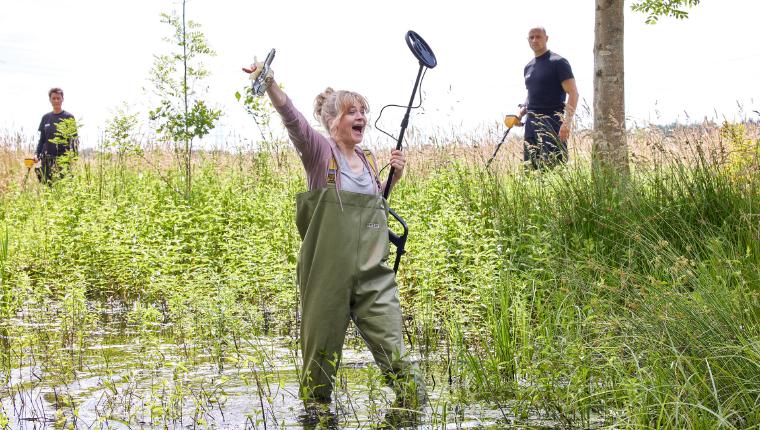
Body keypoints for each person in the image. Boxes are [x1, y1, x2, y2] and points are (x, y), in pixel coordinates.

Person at [242, 60, 427, 411]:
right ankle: (316, 416)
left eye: (363, 111)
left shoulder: (371, 161)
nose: (361, 117)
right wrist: (270, 84)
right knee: (319, 371)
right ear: (332, 122)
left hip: (374, 275)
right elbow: (292, 119)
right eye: (351, 112)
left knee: (398, 359)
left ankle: (414, 412)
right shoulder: (319, 153)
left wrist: (394, 180)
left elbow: (376, 208)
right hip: (326, 276)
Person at [517, 27, 579, 169]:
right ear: (527, 40)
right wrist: (522, 111)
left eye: (538, 36)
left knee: (554, 170)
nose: (534, 40)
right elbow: (532, 92)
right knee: (531, 170)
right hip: (531, 124)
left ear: (546, 38)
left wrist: (566, 123)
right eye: (531, 37)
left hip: (553, 123)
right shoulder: (528, 67)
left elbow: (573, 93)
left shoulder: (558, 62)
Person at [34, 87, 78, 182]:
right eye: (54, 98)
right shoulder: (45, 118)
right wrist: (37, 154)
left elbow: (74, 140)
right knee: (47, 187)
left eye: (58, 98)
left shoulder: (69, 117)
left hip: (63, 160)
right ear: (50, 100)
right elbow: (42, 140)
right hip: (47, 160)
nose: (56, 100)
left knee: (64, 187)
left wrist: (74, 156)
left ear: (63, 99)